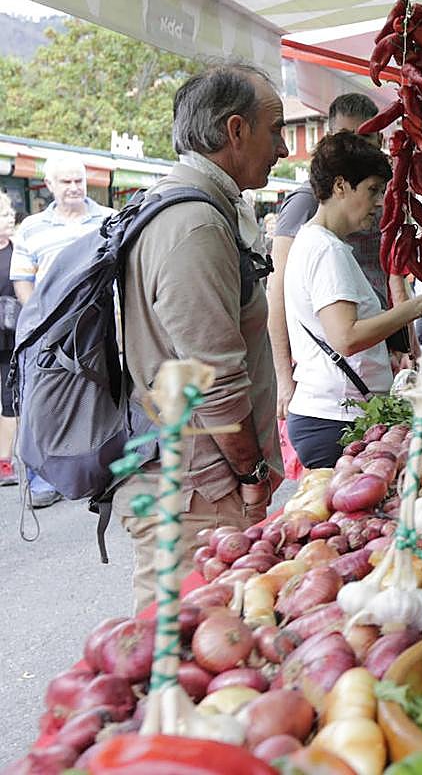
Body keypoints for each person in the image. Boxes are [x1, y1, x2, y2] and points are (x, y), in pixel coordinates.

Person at [116, 64, 288, 611]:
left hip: (195, 483)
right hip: (201, 492)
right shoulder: (196, 226)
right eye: (276, 128)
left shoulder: (185, 206)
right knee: (187, 651)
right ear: (236, 131)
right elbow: (214, 382)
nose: (283, 147)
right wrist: (252, 473)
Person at [283, 132, 422, 469]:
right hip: (334, 420)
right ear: (341, 186)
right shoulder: (326, 250)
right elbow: (346, 337)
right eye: (373, 190)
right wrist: (416, 307)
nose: (379, 203)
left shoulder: (317, 242)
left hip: (332, 414)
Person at [268, 93, 400, 422]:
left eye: (364, 139)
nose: (354, 149)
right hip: (333, 381)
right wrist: (285, 379)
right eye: (345, 140)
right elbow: (278, 290)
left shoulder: (379, 197)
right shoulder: (306, 206)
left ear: (379, 138)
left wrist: (400, 344)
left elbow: (392, 272)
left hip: (369, 357)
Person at [10, 153, 114, 507]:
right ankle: (43, 480)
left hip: (101, 330)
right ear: (49, 185)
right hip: (48, 333)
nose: (74, 187)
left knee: (103, 400)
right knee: (42, 406)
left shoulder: (109, 220)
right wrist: (41, 323)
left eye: (78, 180)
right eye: (65, 182)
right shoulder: (31, 227)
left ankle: (101, 468)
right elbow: (23, 280)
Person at [0, 197, 18, 484]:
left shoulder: (20, 248)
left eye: (10, 211)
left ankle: (5, 462)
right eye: (3, 213)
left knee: (8, 399)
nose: (10, 217)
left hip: (11, 334)